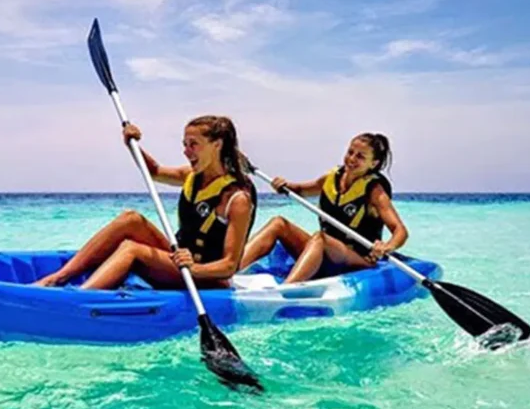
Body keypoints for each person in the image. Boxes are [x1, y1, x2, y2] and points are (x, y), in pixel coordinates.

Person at [33, 115, 257, 290]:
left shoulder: (237, 199)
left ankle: (82, 298)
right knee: (131, 219)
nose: (186, 151)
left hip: (205, 279)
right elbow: (154, 171)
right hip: (178, 262)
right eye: (185, 144)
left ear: (217, 145)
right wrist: (132, 143)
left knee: (132, 249)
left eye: (193, 144)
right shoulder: (190, 176)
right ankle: (59, 277)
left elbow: (229, 266)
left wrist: (195, 269)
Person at [238, 133, 408, 283]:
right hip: (326, 253)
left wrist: (387, 246)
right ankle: (230, 270)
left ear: (374, 163)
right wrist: (283, 184)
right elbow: (301, 190)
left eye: (361, 156)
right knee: (278, 223)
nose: (352, 159)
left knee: (321, 238)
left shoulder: (375, 191)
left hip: (357, 259)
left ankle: (285, 290)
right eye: (350, 152)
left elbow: (400, 230)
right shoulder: (333, 177)